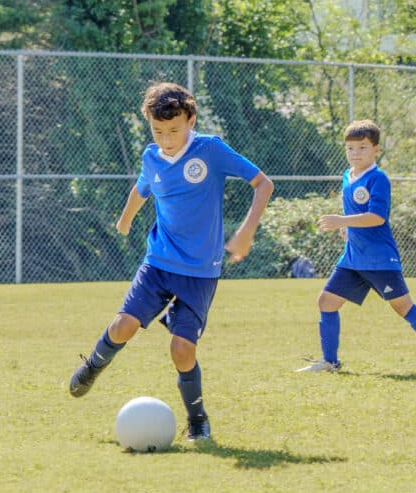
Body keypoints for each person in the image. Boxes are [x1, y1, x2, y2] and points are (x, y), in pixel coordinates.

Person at [68, 82, 274, 442]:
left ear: (191, 119)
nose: (166, 139)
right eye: (158, 131)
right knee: (122, 327)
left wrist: (246, 231)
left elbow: (263, 183)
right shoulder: (151, 156)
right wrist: (126, 217)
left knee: (182, 350)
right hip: (159, 263)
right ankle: (92, 366)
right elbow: (142, 187)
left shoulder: (210, 150)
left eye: (174, 130)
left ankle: (197, 420)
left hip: (199, 272)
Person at [297, 119, 416, 375]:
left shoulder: (378, 179)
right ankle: (330, 362)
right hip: (352, 259)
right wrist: (346, 227)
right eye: (350, 148)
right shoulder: (347, 176)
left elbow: (377, 217)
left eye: (362, 147)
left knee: (403, 307)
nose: (355, 153)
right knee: (326, 302)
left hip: (378, 260)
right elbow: (356, 211)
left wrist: (341, 220)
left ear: (376, 150)